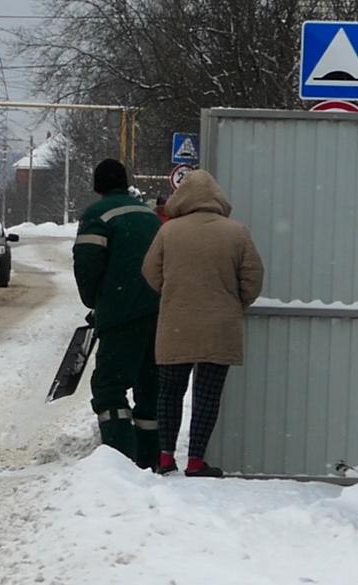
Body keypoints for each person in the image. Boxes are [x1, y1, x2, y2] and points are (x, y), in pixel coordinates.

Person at [142, 169, 264, 477]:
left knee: (169, 391)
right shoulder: (237, 232)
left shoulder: (168, 232)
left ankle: (166, 457)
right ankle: (196, 460)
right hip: (220, 325)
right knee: (207, 395)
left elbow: (150, 272)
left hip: (176, 322)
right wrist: (234, 302)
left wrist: (172, 292)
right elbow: (253, 278)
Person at [74, 159, 162, 469]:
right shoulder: (149, 215)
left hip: (121, 314)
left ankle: (120, 461)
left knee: (110, 388)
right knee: (149, 387)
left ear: (97, 186)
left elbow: (86, 266)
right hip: (159, 314)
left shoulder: (98, 216)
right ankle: (151, 458)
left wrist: (95, 303)